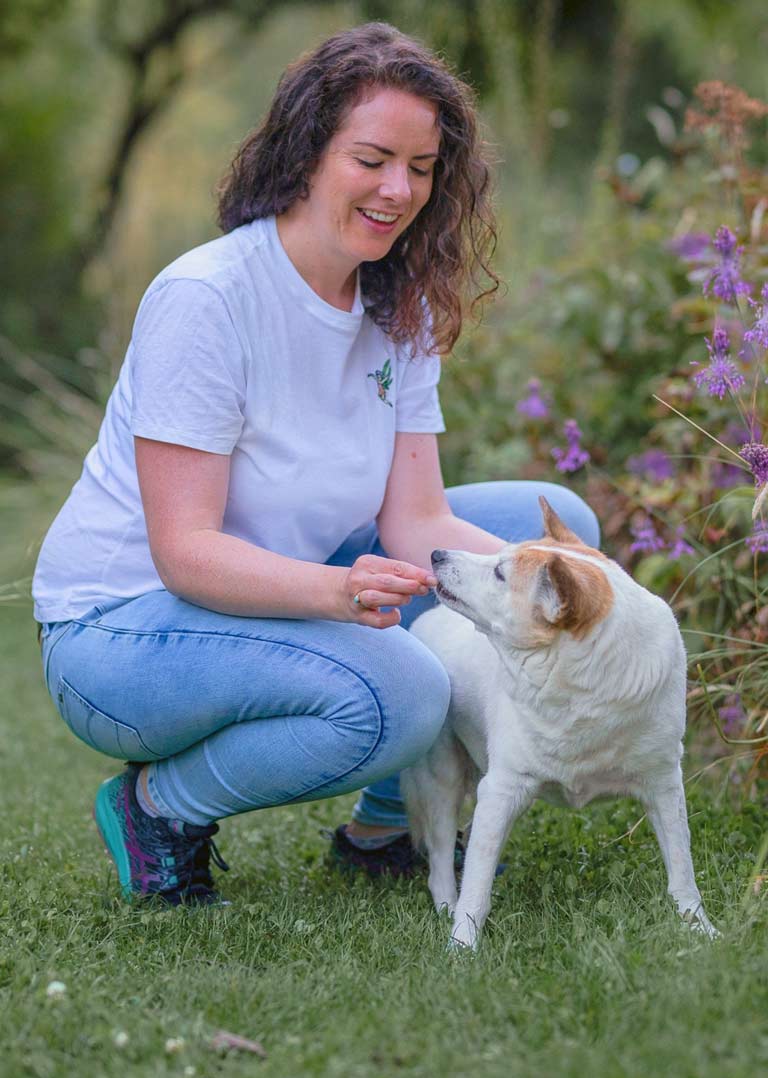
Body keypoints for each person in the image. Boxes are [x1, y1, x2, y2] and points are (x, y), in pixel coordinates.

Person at [33, 22, 599, 906]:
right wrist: (337, 596)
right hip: (123, 632)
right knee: (403, 696)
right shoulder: (208, 298)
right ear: (306, 152)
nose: (398, 189)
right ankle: (161, 808)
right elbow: (186, 551)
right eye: (371, 158)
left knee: (556, 531)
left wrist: (593, 596)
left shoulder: (399, 307)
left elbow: (416, 524)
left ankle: (387, 826)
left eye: (421, 166)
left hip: (272, 587)